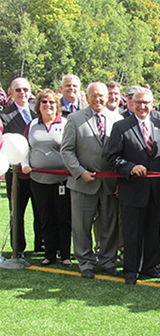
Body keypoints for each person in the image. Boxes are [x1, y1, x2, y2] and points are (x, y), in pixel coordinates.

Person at [107, 87, 160, 285]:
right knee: (132, 233)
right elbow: (112, 157)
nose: (142, 106)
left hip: (156, 190)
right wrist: (130, 167)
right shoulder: (120, 127)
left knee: (153, 231)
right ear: (131, 103)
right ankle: (131, 270)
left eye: (146, 102)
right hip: (132, 189)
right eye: (139, 102)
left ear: (153, 104)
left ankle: (149, 267)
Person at [60, 82, 123, 279]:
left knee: (109, 225)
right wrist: (80, 172)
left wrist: (120, 180)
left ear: (109, 97)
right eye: (93, 96)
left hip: (109, 184)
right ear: (86, 98)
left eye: (101, 96)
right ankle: (86, 262)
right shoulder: (74, 119)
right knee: (81, 226)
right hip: (83, 183)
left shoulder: (118, 120)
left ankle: (107, 260)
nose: (98, 99)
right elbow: (66, 150)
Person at [21, 89, 72, 268]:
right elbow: (24, 148)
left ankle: (65, 254)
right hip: (38, 180)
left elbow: (71, 148)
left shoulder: (65, 123)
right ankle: (49, 254)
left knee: (63, 217)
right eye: (44, 102)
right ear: (38, 105)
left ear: (57, 105)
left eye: (51, 102)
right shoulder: (32, 124)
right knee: (45, 217)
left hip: (62, 181)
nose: (48, 105)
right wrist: (24, 164)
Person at [0, 77, 42, 257]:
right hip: (15, 172)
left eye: (25, 89)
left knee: (40, 209)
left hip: (36, 170)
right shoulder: (4, 115)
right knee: (17, 211)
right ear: (10, 92)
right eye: (18, 90)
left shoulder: (36, 113)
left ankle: (41, 246)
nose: (22, 93)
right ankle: (18, 248)